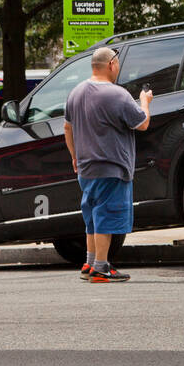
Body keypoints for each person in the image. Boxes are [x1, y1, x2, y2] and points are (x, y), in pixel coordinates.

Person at [63, 47, 151, 283]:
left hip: (86, 167)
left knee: (92, 214)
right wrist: (145, 101)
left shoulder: (76, 92)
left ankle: (90, 263)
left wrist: (74, 156)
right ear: (111, 64)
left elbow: (67, 128)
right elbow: (142, 124)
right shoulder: (118, 94)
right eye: (118, 63)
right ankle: (101, 267)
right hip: (111, 166)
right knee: (107, 214)